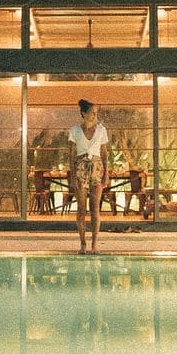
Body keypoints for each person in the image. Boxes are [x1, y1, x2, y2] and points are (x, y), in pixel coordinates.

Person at [66, 98, 109, 253]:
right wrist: (72, 176)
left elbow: (104, 153)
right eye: (92, 112)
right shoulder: (75, 131)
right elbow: (71, 155)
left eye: (96, 113)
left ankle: (95, 244)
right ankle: (83, 244)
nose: (94, 115)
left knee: (95, 209)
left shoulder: (101, 130)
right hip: (80, 169)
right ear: (83, 113)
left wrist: (106, 174)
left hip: (97, 169)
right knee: (81, 208)